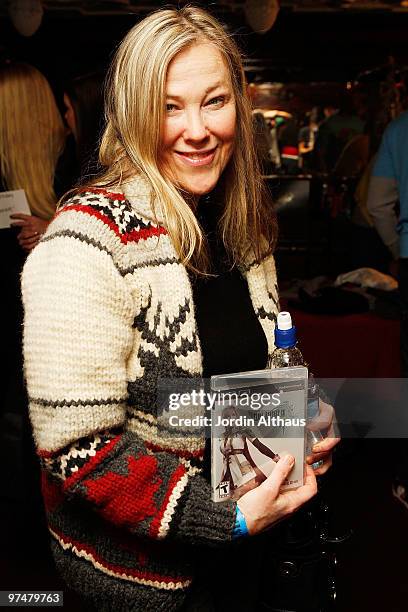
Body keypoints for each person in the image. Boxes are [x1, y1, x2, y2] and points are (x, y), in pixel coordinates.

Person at [21, 7, 339, 611]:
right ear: (134, 114)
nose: (197, 129)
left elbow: (254, 367)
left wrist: (301, 414)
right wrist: (225, 517)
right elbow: (77, 448)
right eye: (169, 106)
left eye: (214, 101)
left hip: (249, 558)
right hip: (144, 586)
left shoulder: (243, 228)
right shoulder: (83, 244)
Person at [63, 71, 105, 180]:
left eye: (68, 109)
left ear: (83, 112)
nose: (66, 116)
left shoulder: (98, 164)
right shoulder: (71, 151)